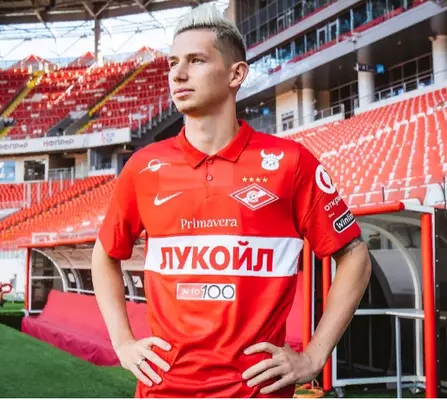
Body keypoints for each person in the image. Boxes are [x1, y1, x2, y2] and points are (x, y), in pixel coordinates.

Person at [91, 3, 372, 398]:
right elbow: (105, 254)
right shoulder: (143, 166)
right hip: (164, 389)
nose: (178, 74)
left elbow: (355, 256)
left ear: (236, 74)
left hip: (257, 390)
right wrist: (123, 341)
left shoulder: (290, 163)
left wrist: (313, 356)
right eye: (173, 63)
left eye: (196, 60)